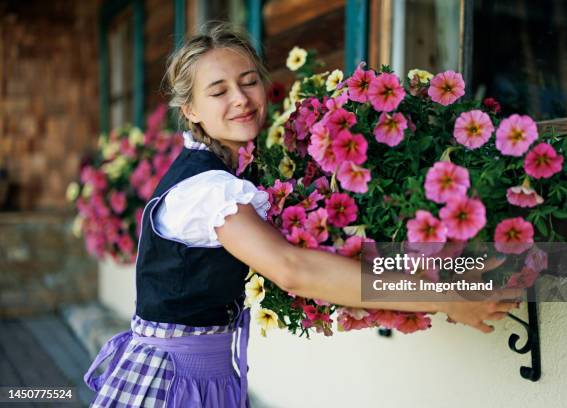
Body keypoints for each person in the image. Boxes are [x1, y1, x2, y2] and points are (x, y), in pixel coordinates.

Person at [84, 23, 521, 408]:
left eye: (249, 81)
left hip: (200, 376)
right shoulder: (208, 190)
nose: (240, 99)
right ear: (191, 111)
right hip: (176, 384)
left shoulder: (226, 171)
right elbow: (292, 268)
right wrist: (448, 298)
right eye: (218, 91)